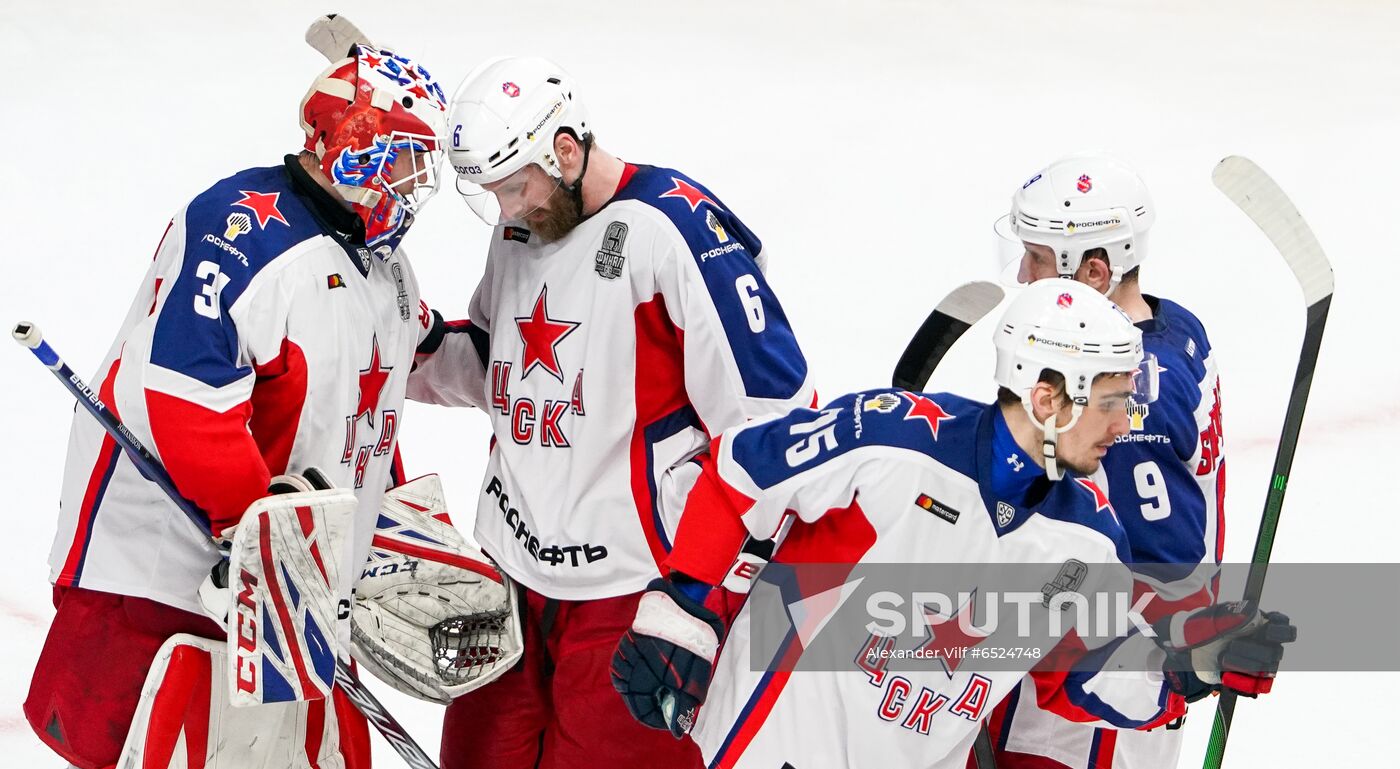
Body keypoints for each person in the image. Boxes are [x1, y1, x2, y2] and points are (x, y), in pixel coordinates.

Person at [609, 280, 1292, 769]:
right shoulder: (894, 439)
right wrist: (684, 604)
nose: (1125, 424)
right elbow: (742, 472)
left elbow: (1080, 672)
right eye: (1111, 402)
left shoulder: (1091, 535)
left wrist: (1181, 668)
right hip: (777, 749)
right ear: (1047, 395)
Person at [24, 19, 449, 769]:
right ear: (354, 147)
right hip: (172, 572)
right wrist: (267, 544)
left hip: (289, 580)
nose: (420, 184)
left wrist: (388, 533)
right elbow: (188, 404)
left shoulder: (385, 267)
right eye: (407, 161)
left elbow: (366, 415)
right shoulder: (241, 228)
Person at [408, 56, 815, 769]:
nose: (506, 209)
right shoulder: (517, 229)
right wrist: (400, 346)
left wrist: (704, 597)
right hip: (509, 584)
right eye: (491, 193)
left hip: (633, 595)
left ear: (566, 148)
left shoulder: (675, 228)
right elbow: (495, 362)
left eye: (515, 186)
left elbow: (774, 421)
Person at [986, 153, 1226, 769]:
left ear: (1093, 272)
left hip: (1094, 706)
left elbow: (1155, 567)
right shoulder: (1174, 329)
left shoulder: (1120, 398)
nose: (1022, 271)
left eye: (1037, 256)